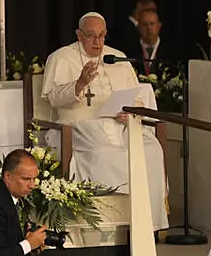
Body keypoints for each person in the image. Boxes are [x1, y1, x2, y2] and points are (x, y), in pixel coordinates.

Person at [41, 12, 168, 231]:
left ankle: (147, 224)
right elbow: (53, 98)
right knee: (102, 153)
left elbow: (136, 96)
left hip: (119, 124)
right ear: (79, 35)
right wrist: (79, 83)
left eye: (102, 36)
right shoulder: (60, 57)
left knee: (152, 149)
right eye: (91, 36)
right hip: (79, 125)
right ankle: (110, 223)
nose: (98, 42)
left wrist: (130, 112)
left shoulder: (117, 57)